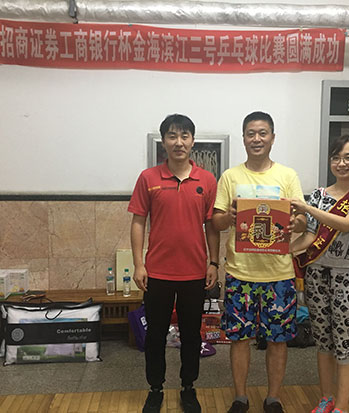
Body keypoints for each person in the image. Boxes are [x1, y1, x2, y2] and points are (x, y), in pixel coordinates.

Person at [212, 111, 306, 413]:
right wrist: (230, 217)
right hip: (240, 273)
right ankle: (240, 397)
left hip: (279, 274)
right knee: (239, 339)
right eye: (251, 133)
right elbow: (216, 221)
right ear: (243, 138)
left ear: (272, 138)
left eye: (263, 133)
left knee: (278, 340)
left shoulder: (287, 176)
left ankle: (273, 397)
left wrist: (295, 224)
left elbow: (302, 219)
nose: (257, 139)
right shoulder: (230, 177)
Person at [128, 114, 219, 413]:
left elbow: (212, 226)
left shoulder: (207, 180)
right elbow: (138, 222)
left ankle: (188, 387)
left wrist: (213, 263)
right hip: (157, 272)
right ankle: (155, 388)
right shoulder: (148, 178)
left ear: (192, 141)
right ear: (164, 141)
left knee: (192, 335)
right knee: (155, 335)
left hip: (194, 273)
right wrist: (138, 264)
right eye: (172, 136)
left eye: (184, 136)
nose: (178, 142)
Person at [290, 135, 349, 413]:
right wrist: (281, 250)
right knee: (323, 340)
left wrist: (307, 208)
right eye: (336, 158)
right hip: (317, 274)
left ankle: (341, 406)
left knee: (344, 341)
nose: (342, 163)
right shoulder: (320, 195)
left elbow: (346, 224)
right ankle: (326, 398)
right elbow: (310, 237)